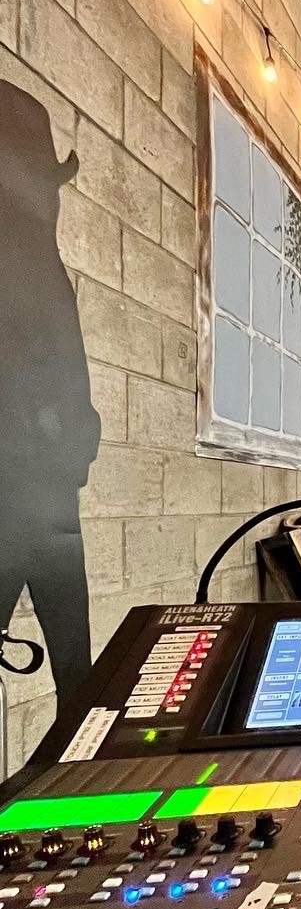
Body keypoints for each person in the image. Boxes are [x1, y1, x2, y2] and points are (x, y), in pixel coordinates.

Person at [0, 82, 101, 703]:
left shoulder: (37, 258)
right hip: (26, 500)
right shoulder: (28, 259)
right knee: (78, 681)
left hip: (48, 500)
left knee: (79, 681)